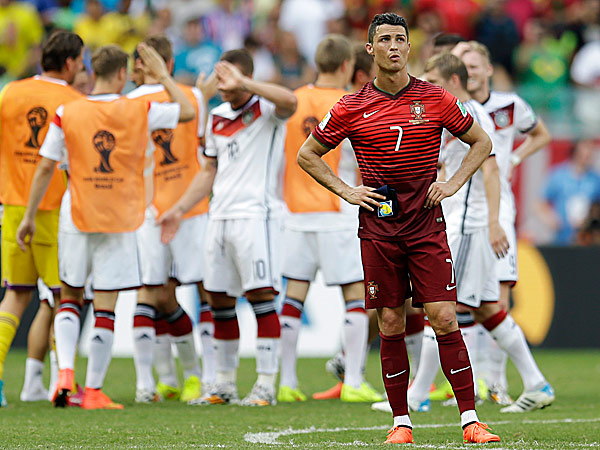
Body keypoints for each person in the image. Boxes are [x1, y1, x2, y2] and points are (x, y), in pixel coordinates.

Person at [297, 12, 499, 445]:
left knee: (444, 316)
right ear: (369, 50)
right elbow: (307, 154)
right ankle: (401, 422)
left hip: (426, 225)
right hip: (379, 229)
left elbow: (482, 142)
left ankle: (470, 420)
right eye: (384, 39)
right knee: (390, 321)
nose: (393, 46)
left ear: (410, 48)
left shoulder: (437, 97)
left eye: (400, 39)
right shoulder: (351, 106)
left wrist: (452, 183)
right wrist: (346, 190)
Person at [16, 42, 195, 410]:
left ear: (93, 72)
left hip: (75, 213)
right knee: (106, 306)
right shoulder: (139, 109)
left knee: (70, 296)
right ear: (120, 75)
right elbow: (189, 112)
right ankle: (94, 390)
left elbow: (46, 166)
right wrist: (163, 75)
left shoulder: (67, 111)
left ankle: (65, 373)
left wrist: (29, 215)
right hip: (118, 216)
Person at [413, 52, 555, 416]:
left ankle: (417, 395)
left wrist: (494, 222)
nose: (429, 87)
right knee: (488, 309)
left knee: (443, 305)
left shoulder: (468, 114)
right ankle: (536, 384)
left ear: (453, 82)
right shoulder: (456, 114)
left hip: (471, 223)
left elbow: (490, 170)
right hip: (466, 221)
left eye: (434, 80)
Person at [158, 48, 297, 406]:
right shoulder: (216, 115)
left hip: (257, 215)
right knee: (218, 298)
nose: (222, 86)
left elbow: (291, 101)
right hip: (218, 216)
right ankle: (224, 383)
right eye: (220, 79)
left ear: (245, 77)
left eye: (228, 80)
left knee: (261, 297)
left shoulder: (267, 110)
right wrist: (179, 209)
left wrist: (246, 82)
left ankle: (266, 383)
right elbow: (208, 171)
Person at [278, 34, 381, 404]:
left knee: (292, 299)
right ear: (347, 67)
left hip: (296, 214)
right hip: (338, 211)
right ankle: (353, 380)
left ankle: (287, 383)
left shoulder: (293, 101)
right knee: (354, 296)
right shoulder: (352, 104)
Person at [454, 40, 552, 405]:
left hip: (497, 209)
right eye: (465, 64)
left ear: (489, 69)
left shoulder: (509, 105)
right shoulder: (459, 108)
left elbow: (541, 134)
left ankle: (495, 383)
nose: (471, 70)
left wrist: (516, 158)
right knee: (471, 300)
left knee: (496, 294)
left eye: (476, 64)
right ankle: (482, 381)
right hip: (465, 211)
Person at [127, 35, 214, 404]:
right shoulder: (191, 97)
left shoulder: (192, 98)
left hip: (186, 207)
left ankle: (199, 378)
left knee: (196, 290)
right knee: (159, 292)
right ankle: (162, 380)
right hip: (153, 209)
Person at [0, 30, 84, 408]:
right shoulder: (74, 102)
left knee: (15, 296)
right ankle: (60, 384)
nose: (81, 67)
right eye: (80, 60)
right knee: (64, 297)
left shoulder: (9, 92)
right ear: (69, 63)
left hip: (12, 204)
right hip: (54, 208)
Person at [538, 139, 600, 245]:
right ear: (575, 151)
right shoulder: (558, 175)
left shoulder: (595, 179)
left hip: (586, 238)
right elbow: (540, 202)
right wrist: (552, 220)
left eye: (590, 151)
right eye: (584, 150)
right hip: (562, 237)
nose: (587, 154)